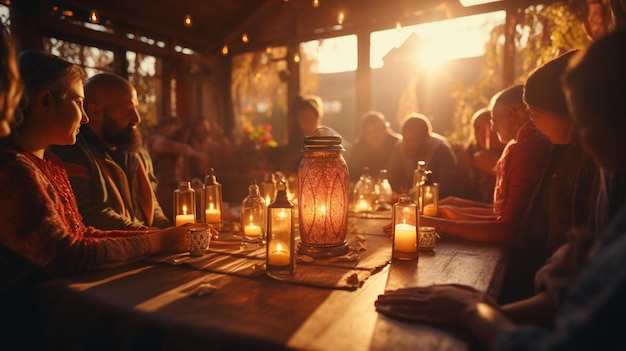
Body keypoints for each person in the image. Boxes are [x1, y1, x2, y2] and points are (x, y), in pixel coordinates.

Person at [374, 28, 626, 350]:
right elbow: (569, 296)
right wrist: (485, 308)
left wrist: (472, 309)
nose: (581, 137)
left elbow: (510, 228)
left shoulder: (546, 153)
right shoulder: (580, 165)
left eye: (586, 122)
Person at [0, 50, 195, 348]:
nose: (86, 117)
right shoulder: (13, 170)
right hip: (33, 326)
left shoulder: (50, 163)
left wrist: (158, 234)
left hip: (70, 305)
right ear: (45, 102)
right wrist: (158, 242)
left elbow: (81, 232)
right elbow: (69, 253)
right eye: (79, 103)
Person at [497, 50, 599, 303]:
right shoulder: (562, 151)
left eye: (534, 114)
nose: (531, 123)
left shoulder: (594, 164)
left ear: (565, 107)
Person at [417, 85, 552, 243]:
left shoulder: (525, 149)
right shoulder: (526, 143)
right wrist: (455, 210)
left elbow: (507, 230)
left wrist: (437, 224)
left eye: (493, 121)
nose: (493, 128)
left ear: (510, 114)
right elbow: (503, 213)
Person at [52, 73, 172, 230]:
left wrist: (170, 230)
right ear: (94, 112)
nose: (137, 119)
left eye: (135, 108)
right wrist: (152, 236)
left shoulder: (138, 153)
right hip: (113, 251)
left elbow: (152, 206)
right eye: (127, 111)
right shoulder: (72, 153)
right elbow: (87, 214)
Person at [146, 115, 208, 220]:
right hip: (162, 188)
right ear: (166, 126)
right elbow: (171, 147)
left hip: (173, 187)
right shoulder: (155, 139)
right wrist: (198, 154)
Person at [386, 113, 458, 197]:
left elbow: (446, 187)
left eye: (414, 140)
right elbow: (391, 178)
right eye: (406, 139)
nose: (408, 145)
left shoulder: (441, 149)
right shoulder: (400, 147)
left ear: (427, 137)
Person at [457, 107, 505, 202]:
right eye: (478, 129)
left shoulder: (509, 154)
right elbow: (462, 192)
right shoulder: (468, 155)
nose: (482, 134)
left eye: (488, 128)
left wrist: (495, 170)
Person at [347, 110, 401, 182]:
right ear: (364, 135)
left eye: (377, 130)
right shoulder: (359, 147)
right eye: (370, 132)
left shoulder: (398, 145)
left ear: (386, 129)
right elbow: (351, 175)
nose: (374, 136)